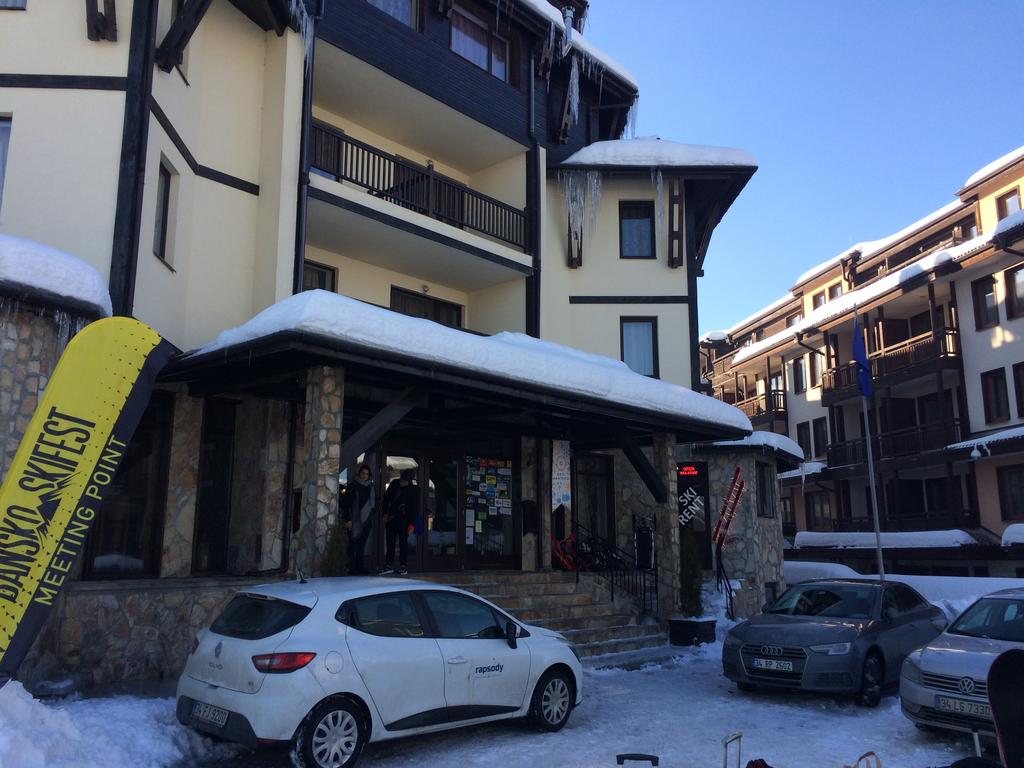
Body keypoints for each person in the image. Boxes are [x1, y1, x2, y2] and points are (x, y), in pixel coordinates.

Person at [380, 467, 419, 576]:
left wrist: (412, 524)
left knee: (403, 543)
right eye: (402, 480)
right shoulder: (394, 484)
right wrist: (385, 513)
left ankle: (403, 566)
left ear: (409, 481)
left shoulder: (414, 490)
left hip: (405, 520)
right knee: (390, 542)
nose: (402, 482)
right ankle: (388, 564)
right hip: (392, 518)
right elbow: (386, 499)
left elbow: (415, 508)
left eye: (405, 481)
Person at [341, 464, 375, 575]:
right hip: (353, 521)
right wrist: (348, 519)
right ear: (359, 474)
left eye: (367, 474)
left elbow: (373, 504)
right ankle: (351, 568)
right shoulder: (352, 486)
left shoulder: (371, 487)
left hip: (366, 521)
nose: (364, 475)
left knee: (362, 545)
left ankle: (360, 567)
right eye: (363, 473)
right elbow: (346, 504)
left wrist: (371, 514)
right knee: (352, 545)